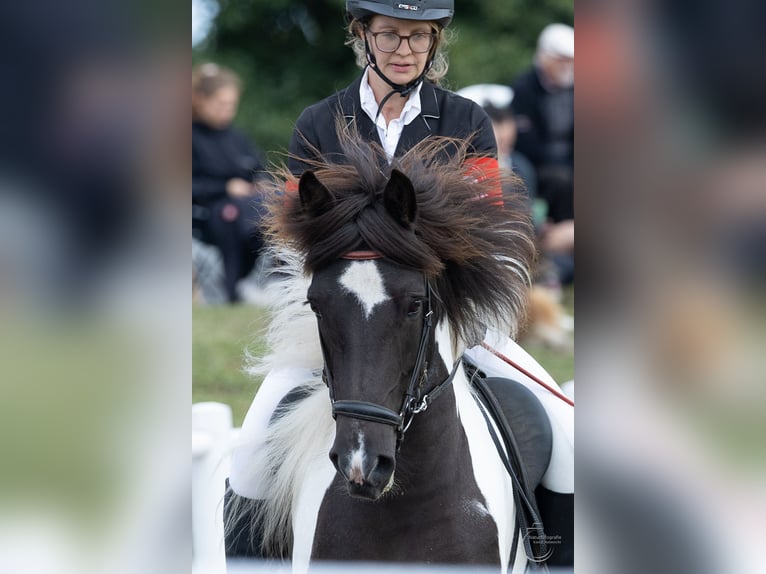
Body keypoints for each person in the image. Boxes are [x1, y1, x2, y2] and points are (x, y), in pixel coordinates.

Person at [228, 1, 573, 563]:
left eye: (419, 37)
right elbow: (295, 231)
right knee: (251, 446)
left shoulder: (465, 121)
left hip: (452, 318)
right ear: (362, 34)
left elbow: (491, 226)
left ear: (435, 41)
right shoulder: (319, 122)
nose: (404, 51)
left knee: (568, 431)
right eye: (390, 35)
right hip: (343, 323)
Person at [192, 63, 267, 303]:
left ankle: (268, 282)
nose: (227, 111)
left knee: (274, 204)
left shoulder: (238, 138)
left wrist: (262, 183)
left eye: (231, 105)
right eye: (221, 105)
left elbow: (258, 169)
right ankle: (234, 290)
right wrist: (224, 188)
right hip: (206, 213)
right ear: (200, 100)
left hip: (249, 205)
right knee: (233, 213)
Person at [511, 23, 574, 225]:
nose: (569, 68)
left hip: (568, 158)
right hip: (538, 164)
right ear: (545, 58)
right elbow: (524, 140)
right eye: (562, 61)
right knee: (561, 179)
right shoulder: (524, 89)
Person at [455, 83, 538, 211]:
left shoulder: (520, 166)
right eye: (495, 123)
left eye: (506, 121)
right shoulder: (455, 168)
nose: (504, 132)